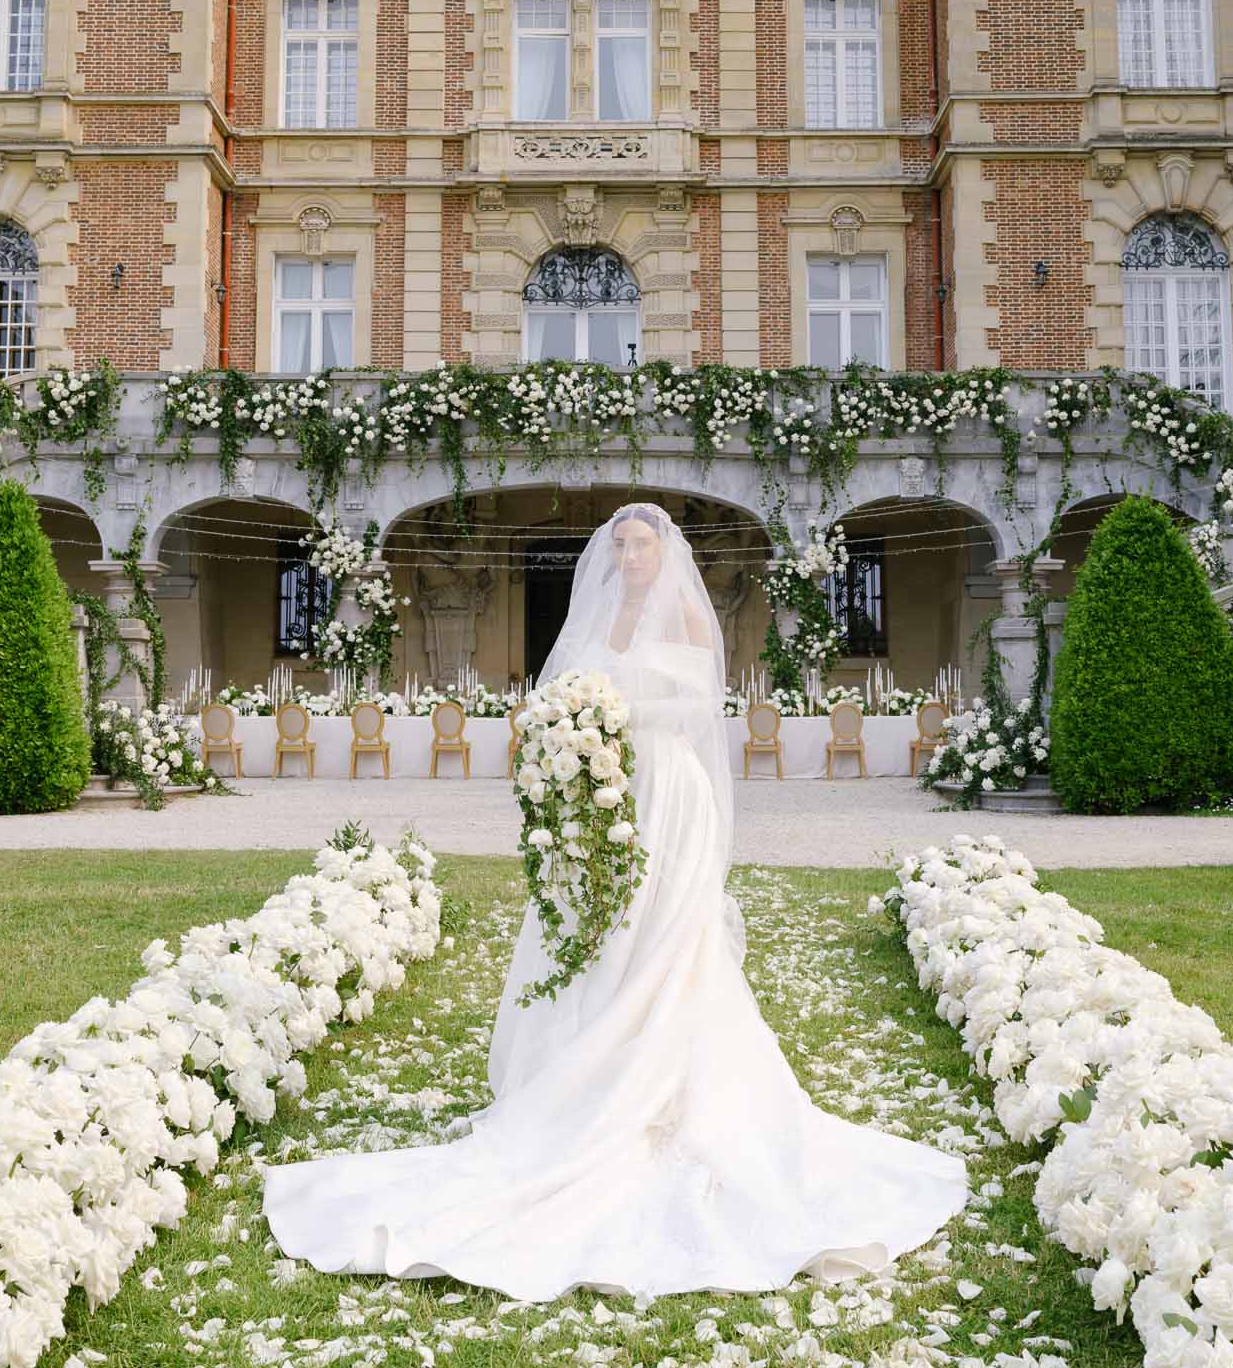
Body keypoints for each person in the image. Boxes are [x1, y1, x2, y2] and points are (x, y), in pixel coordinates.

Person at [265, 502, 967, 1301]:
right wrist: (565, 725)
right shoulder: (596, 615)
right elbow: (565, 689)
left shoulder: (692, 623)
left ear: (665, 554)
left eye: (643, 544)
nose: (631, 555)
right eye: (623, 544)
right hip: (605, 791)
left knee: (668, 933)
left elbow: (703, 707)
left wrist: (622, 717)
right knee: (595, 932)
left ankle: (668, 1085)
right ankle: (581, 1072)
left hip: (667, 787)